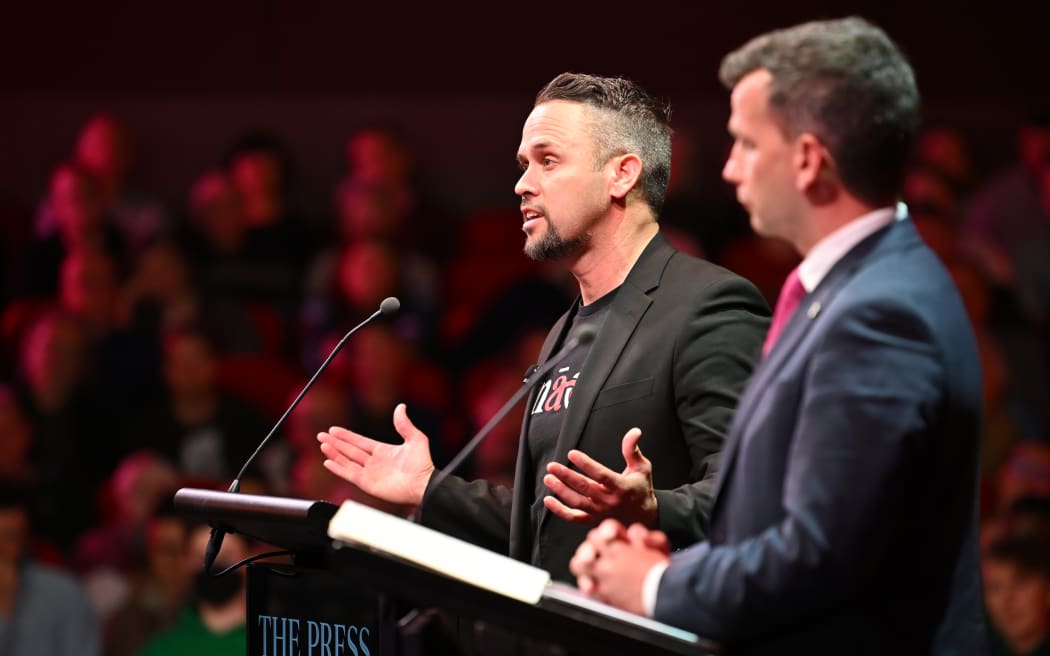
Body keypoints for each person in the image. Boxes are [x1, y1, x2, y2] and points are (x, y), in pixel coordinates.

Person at [569, 17, 987, 653]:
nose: (731, 170)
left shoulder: (880, 315)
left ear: (809, 161)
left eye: (746, 144)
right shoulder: (861, 289)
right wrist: (678, 560)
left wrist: (656, 585)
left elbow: (821, 555)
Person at [317, 72, 769, 583]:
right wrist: (429, 488)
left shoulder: (707, 304)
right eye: (522, 165)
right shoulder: (563, 332)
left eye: (547, 161)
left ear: (621, 175)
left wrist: (654, 509)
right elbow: (542, 526)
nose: (522, 184)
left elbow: (749, 498)